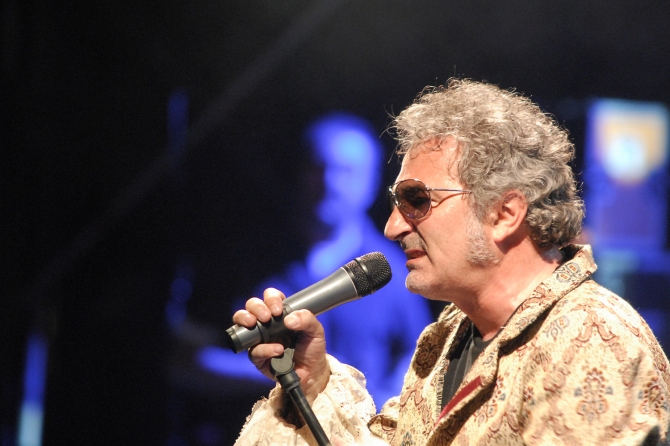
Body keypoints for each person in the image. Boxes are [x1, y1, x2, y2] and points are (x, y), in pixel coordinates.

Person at [231, 79, 670, 445]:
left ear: (504, 214)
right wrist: (314, 383)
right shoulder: (448, 337)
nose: (392, 228)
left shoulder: (593, 339)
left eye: (417, 200)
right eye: (396, 201)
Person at [251, 113, 432, 408]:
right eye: (319, 167)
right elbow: (195, 355)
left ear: (372, 182)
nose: (330, 182)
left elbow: (419, 356)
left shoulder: (395, 273)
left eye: (346, 171)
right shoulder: (256, 258)